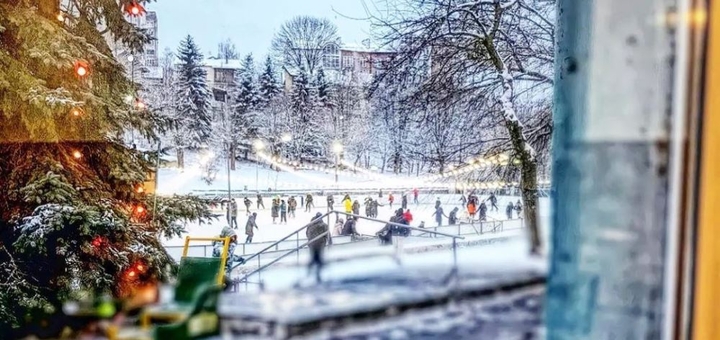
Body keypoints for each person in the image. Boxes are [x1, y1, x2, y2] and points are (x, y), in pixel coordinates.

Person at [306, 213, 329, 283]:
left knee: (314, 257)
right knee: (318, 258)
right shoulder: (323, 225)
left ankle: (310, 271)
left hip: (311, 243)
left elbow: (306, 233)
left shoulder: (310, 224)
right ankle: (317, 276)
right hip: (319, 244)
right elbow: (327, 234)